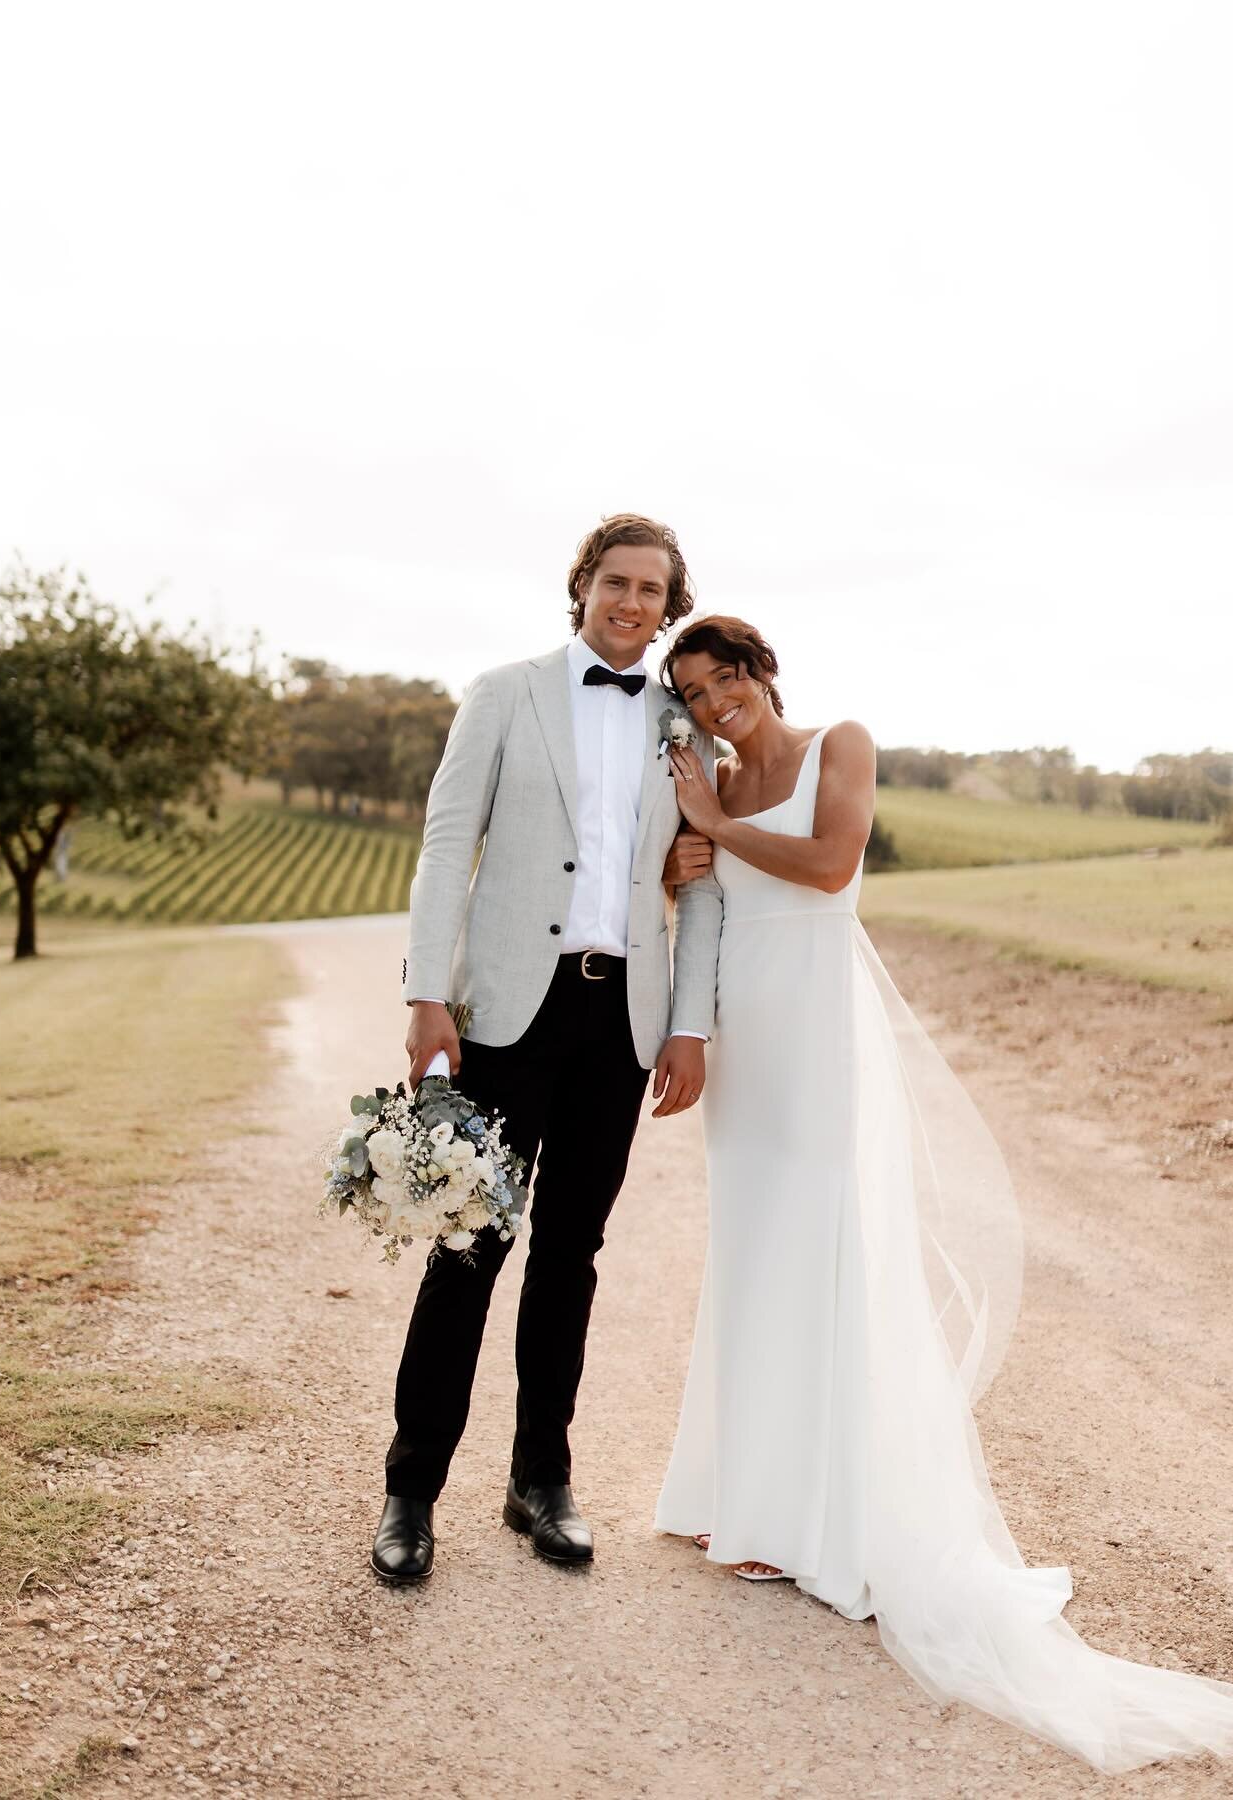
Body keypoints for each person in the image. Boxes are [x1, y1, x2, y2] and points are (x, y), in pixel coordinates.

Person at [653, 612, 1233, 1773]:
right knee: (753, 1251)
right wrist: (684, 857)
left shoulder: (839, 742)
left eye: (724, 678)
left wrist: (715, 826)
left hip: (822, 1032)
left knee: (827, 1247)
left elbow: (834, 864)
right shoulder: (711, 780)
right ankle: (736, 1494)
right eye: (691, 693)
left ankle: (816, 1522)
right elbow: (697, 903)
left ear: (762, 672)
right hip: (749, 1034)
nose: (712, 704)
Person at [371, 514, 723, 1584]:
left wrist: (691, 1022)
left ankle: (542, 1482)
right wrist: (427, 993)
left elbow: (698, 880)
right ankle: (410, 1492)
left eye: (652, 591)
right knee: (467, 1247)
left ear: (670, 609)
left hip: (620, 1021)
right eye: (615, 582)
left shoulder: (685, 728)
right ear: (581, 587)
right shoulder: (503, 693)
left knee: (571, 1257)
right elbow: (445, 847)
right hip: (503, 1018)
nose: (631, 603)